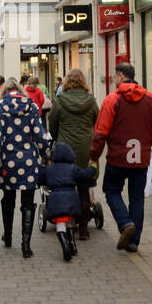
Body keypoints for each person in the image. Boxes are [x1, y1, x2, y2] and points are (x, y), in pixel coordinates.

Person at [89, 63, 152, 253]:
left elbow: (100, 132)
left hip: (117, 157)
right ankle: (134, 241)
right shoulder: (151, 99)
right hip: (141, 157)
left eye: (115, 77)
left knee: (111, 191)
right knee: (137, 198)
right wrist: (151, 142)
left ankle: (125, 223)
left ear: (121, 76)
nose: (114, 80)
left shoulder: (111, 100)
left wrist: (94, 156)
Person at [0, 78, 47, 257]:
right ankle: (26, 246)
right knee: (28, 202)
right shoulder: (32, 107)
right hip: (29, 160)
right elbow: (39, 134)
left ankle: (7, 237)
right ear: (20, 90)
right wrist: (45, 154)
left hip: (8, 160)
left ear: (4, 92)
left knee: (8, 198)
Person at [48, 68, 99, 240]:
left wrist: (57, 139)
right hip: (86, 148)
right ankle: (84, 228)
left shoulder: (60, 101)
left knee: (65, 186)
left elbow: (52, 126)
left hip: (65, 149)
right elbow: (97, 122)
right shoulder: (91, 100)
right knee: (84, 188)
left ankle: (67, 221)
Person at [37, 142, 97, 261]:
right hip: (71, 201)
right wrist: (92, 167)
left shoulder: (50, 170)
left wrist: (43, 167)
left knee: (60, 226)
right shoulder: (73, 168)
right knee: (70, 224)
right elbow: (85, 176)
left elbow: (40, 180)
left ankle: (65, 247)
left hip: (56, 201)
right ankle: (73, 247)